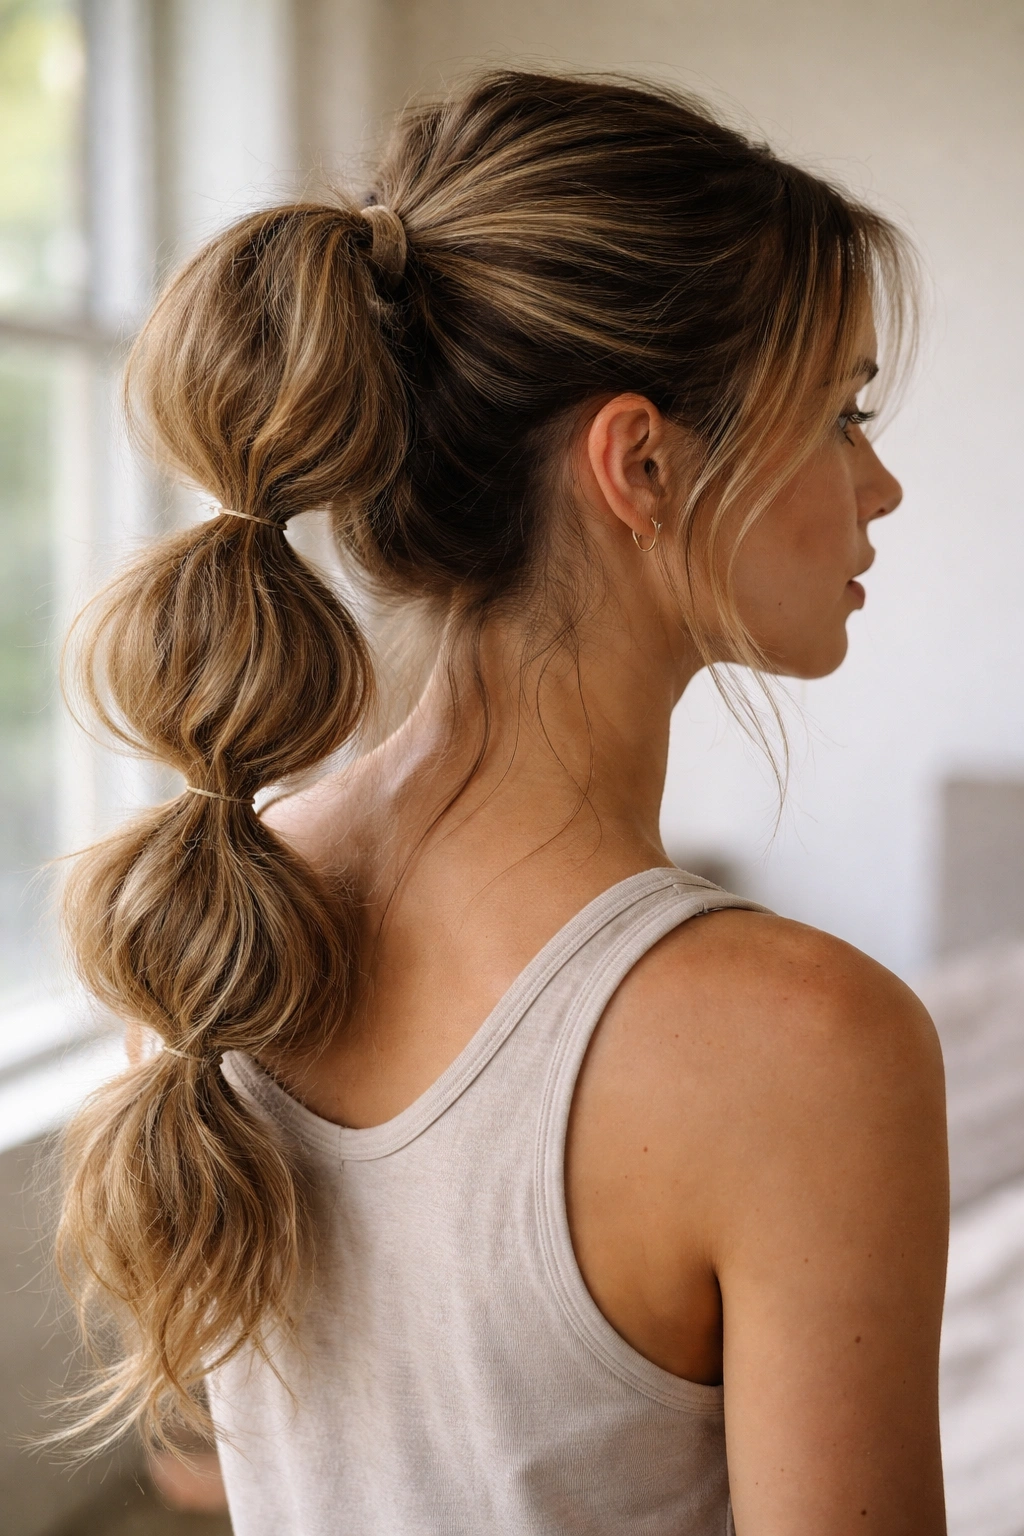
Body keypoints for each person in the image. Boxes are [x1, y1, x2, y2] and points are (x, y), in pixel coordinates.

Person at [57, 70, 948, 1534]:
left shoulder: (214, 906)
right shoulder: (807, 1051)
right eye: (843, 412)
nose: (884, 484)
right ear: (641, 462)